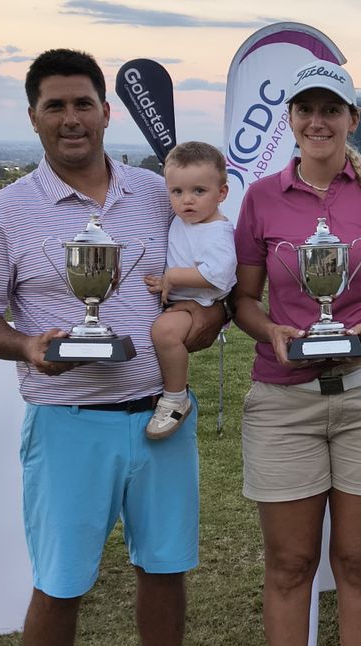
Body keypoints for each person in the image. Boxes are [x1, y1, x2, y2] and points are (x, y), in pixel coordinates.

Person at [0, 48, 224, 646]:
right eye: (55, 106)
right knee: (62, 581)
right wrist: (23, 346)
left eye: (82, 104)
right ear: (33, 117)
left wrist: (204, 321)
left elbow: (209, 289)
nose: (71, 118)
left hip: (161, 416)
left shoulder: (163, 195)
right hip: (67, 420)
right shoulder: (5, 212)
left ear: (106, 112)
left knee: (165, 570)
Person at [231, 58, 361, 646]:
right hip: (284, 401)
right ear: (290, 119)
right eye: (306, 110)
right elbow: (243, 300)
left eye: (331, 110)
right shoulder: (262, 197)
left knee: (360, 561)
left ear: (352, 119)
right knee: (289, 565)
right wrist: (271, 330)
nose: (318, 121)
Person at [144, 141, 236, 439]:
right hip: (182, 299)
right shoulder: (185, 222)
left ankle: (175, 397)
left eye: (199, 191)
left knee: (164, 332)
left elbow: (218, 275)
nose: (187, 201)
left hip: (200, 303)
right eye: (177, 192)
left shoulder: (218, 231)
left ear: (221, 193)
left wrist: (173, 277)